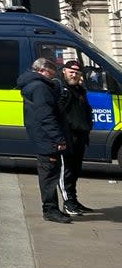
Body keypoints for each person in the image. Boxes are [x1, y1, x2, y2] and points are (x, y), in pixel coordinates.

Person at [18, 57, 71, 223]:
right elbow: (46, 115)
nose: (53, 76)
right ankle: (50, 210)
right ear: (41, 71)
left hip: (42, 136)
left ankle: (51, 209)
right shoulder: (40, 87)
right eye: (50, 73)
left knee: (49, 174)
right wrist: (59, 138)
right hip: (47, 139)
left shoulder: (32, 84)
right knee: (49, 176)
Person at [57, 60, 95, 215]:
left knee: (75, 171)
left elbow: (86, 111)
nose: (74, 75)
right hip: (67, 136)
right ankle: (68, 203)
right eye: (71, 72)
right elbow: (57, 113)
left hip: (80, 136)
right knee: (66, 171)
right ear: (64, 71)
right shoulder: (61, 89)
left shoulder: (80, 89)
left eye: (77, 73)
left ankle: (74, 200)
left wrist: (88, 126)